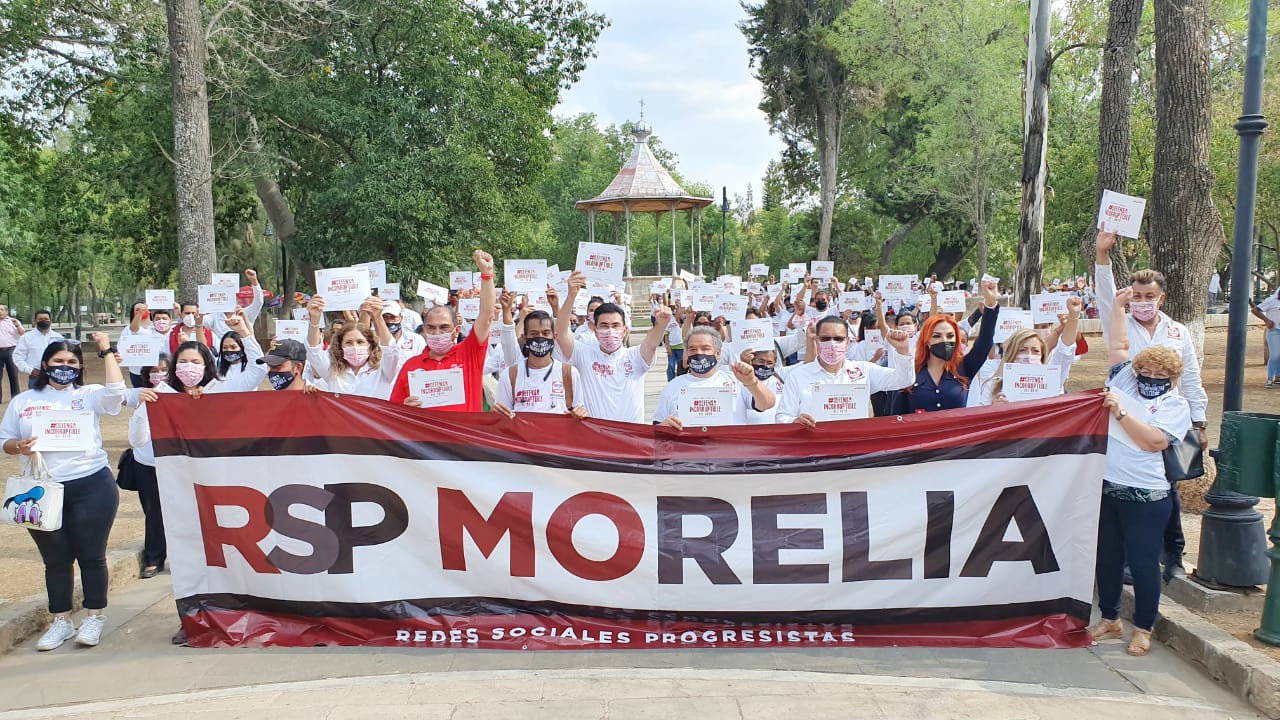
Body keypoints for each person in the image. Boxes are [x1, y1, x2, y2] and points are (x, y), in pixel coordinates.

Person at [1, 333, 126, 650]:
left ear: (80, 367)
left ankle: (94, 617)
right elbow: (5, 441)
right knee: (55, 560)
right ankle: (61, 621)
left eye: (72, 362)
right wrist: (20, 447)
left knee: (91, 555)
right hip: (41, 491)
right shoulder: (23, 401)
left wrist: (106, 350)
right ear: (45, 365)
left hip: (91, 484)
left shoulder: (88, 395)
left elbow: (116, 393)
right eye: (58, 361)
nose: (65, 367)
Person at [1096, 227, 1207, 579]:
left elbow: (1190, 377)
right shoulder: (1119, 324)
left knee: (1169, 487)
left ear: (1161, 298)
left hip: (1166, 420)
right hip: (1125, 419)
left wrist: (1199, 422)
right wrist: (1102, 255)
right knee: (1125, 488)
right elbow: (1105, 295)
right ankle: (1129, 561)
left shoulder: (1177, 332)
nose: (1143, 301)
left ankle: (1173, 556)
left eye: (1149, 296)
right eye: (1138, 296)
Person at [1092, 291, 1191, 657]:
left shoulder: (1175, 405)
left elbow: (1154, 441)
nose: (1151, 378)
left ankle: (1144, 628)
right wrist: (1119, 308)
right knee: (1108, 559)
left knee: (1144, 563)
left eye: (1160, 375)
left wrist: (1120, 414)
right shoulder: (1125, 382)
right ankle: (1110, 618)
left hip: (1148, 495)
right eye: (1146, 372)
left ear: (1172, 378)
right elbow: (1119, 347)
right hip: (1111, 488)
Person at [554, 271, 669, 424]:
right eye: (604, 326)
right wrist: (571, 296)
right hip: (595, 435)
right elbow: (561, 334)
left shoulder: (635, 356)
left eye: (615, 326)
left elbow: (651, 343)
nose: (610, 331)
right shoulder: (584, 355)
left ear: (624, 330)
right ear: (595, 331)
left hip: (630, 436)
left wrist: (660, 326)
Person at [390, 250, 495, 410]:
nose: (437, 333)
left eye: (444, 327)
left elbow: (486, 316)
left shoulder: (469, 354)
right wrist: (405, 409)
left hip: (463, 428)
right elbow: (394, 413)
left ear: (456, 330)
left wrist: (487, 274)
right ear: (424, 330)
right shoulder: (411, 367)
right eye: (431, 328)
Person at [775, 317, 915, 426]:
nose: (832, 344)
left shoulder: (864, 370)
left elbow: (904, 380)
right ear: (817, 341)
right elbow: (782, 417)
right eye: (825, 339)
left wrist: (902, 351)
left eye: (838, 339)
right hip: (815, 448)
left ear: (847, 343)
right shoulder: (798, 375)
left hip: (855, 447)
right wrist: (794, 422)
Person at [890, 280, 1000, 414]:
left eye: (950, 336)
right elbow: (897, 416)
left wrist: (990, 304)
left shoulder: (964, 368)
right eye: (937, 336)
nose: (944, 340)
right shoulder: (909, 372)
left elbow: (984, 343)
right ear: (927, 341)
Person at [653, 327, 775, 427]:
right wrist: (663, 427)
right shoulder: (672, 387)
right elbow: (657, 428)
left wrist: (752, 382)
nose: (699, 353)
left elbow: (767, 403)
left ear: (718, 353)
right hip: (689, 449)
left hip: (730, 448)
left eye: (705, 348)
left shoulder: (736, 381)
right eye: (692, 349)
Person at [493, 310, 587, 418]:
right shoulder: (510, 375)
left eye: (546, 333)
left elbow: (580, 413)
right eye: (534, 334)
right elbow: (502, 416)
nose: (540, 338)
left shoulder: (569, 373)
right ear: (524, 338)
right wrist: (496, 413)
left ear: (554, 337)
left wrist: (581, 413)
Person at [123, 354, 168, 579]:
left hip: (176, 462)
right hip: (147, 462)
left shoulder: (182, 394)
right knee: (153, 512)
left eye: (164, 369)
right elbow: (136, 439)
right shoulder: (141, 395)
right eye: (154, 371)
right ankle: (154, 558)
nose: (159, 375)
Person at [305, 295, 398, 399]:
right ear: (340, 347)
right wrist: (314, 318)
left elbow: (390, 349)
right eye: (349, 343)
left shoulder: (384, 370)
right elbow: (314, 351)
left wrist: (378, 317)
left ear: (370, 344)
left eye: (360, 342)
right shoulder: (332, 371)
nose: (355, 347)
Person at [13, 309, 64, 390]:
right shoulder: (26, 338)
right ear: (34, 321)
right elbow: (17, 357)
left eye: (46, 319)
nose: (43, 321)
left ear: (51, 321)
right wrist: (30, 370)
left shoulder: (58, 338)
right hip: (36, 377)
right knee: (35, 398)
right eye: (40, 319)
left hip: (56, 376)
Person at [1251, 288, 1280, 387]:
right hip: (1274, 330)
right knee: (1275, 355)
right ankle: (1269, 378)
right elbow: (1255, 310)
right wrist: (1267, 320)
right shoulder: (1272, 300)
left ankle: (1278, 377)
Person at [0, 303, 23, 401]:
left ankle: (15, 398)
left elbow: (22, 333)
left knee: (13, 374)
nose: (0, 312)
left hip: (11, 350)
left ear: (6, 311)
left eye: (1, 309)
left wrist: (17, 326)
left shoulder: (14, 321)